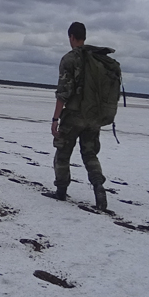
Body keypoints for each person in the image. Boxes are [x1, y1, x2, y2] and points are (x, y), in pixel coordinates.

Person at [45, 22, 108, 210]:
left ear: (71, 37)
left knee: (63, 153)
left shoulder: (69, 59)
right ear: (84, 37)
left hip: (73, 116)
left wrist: (55, 119)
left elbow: (63, 93)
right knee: (90, 154)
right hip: (93, 117)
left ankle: (61, 191)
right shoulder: (98, 60)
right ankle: (99, 189)